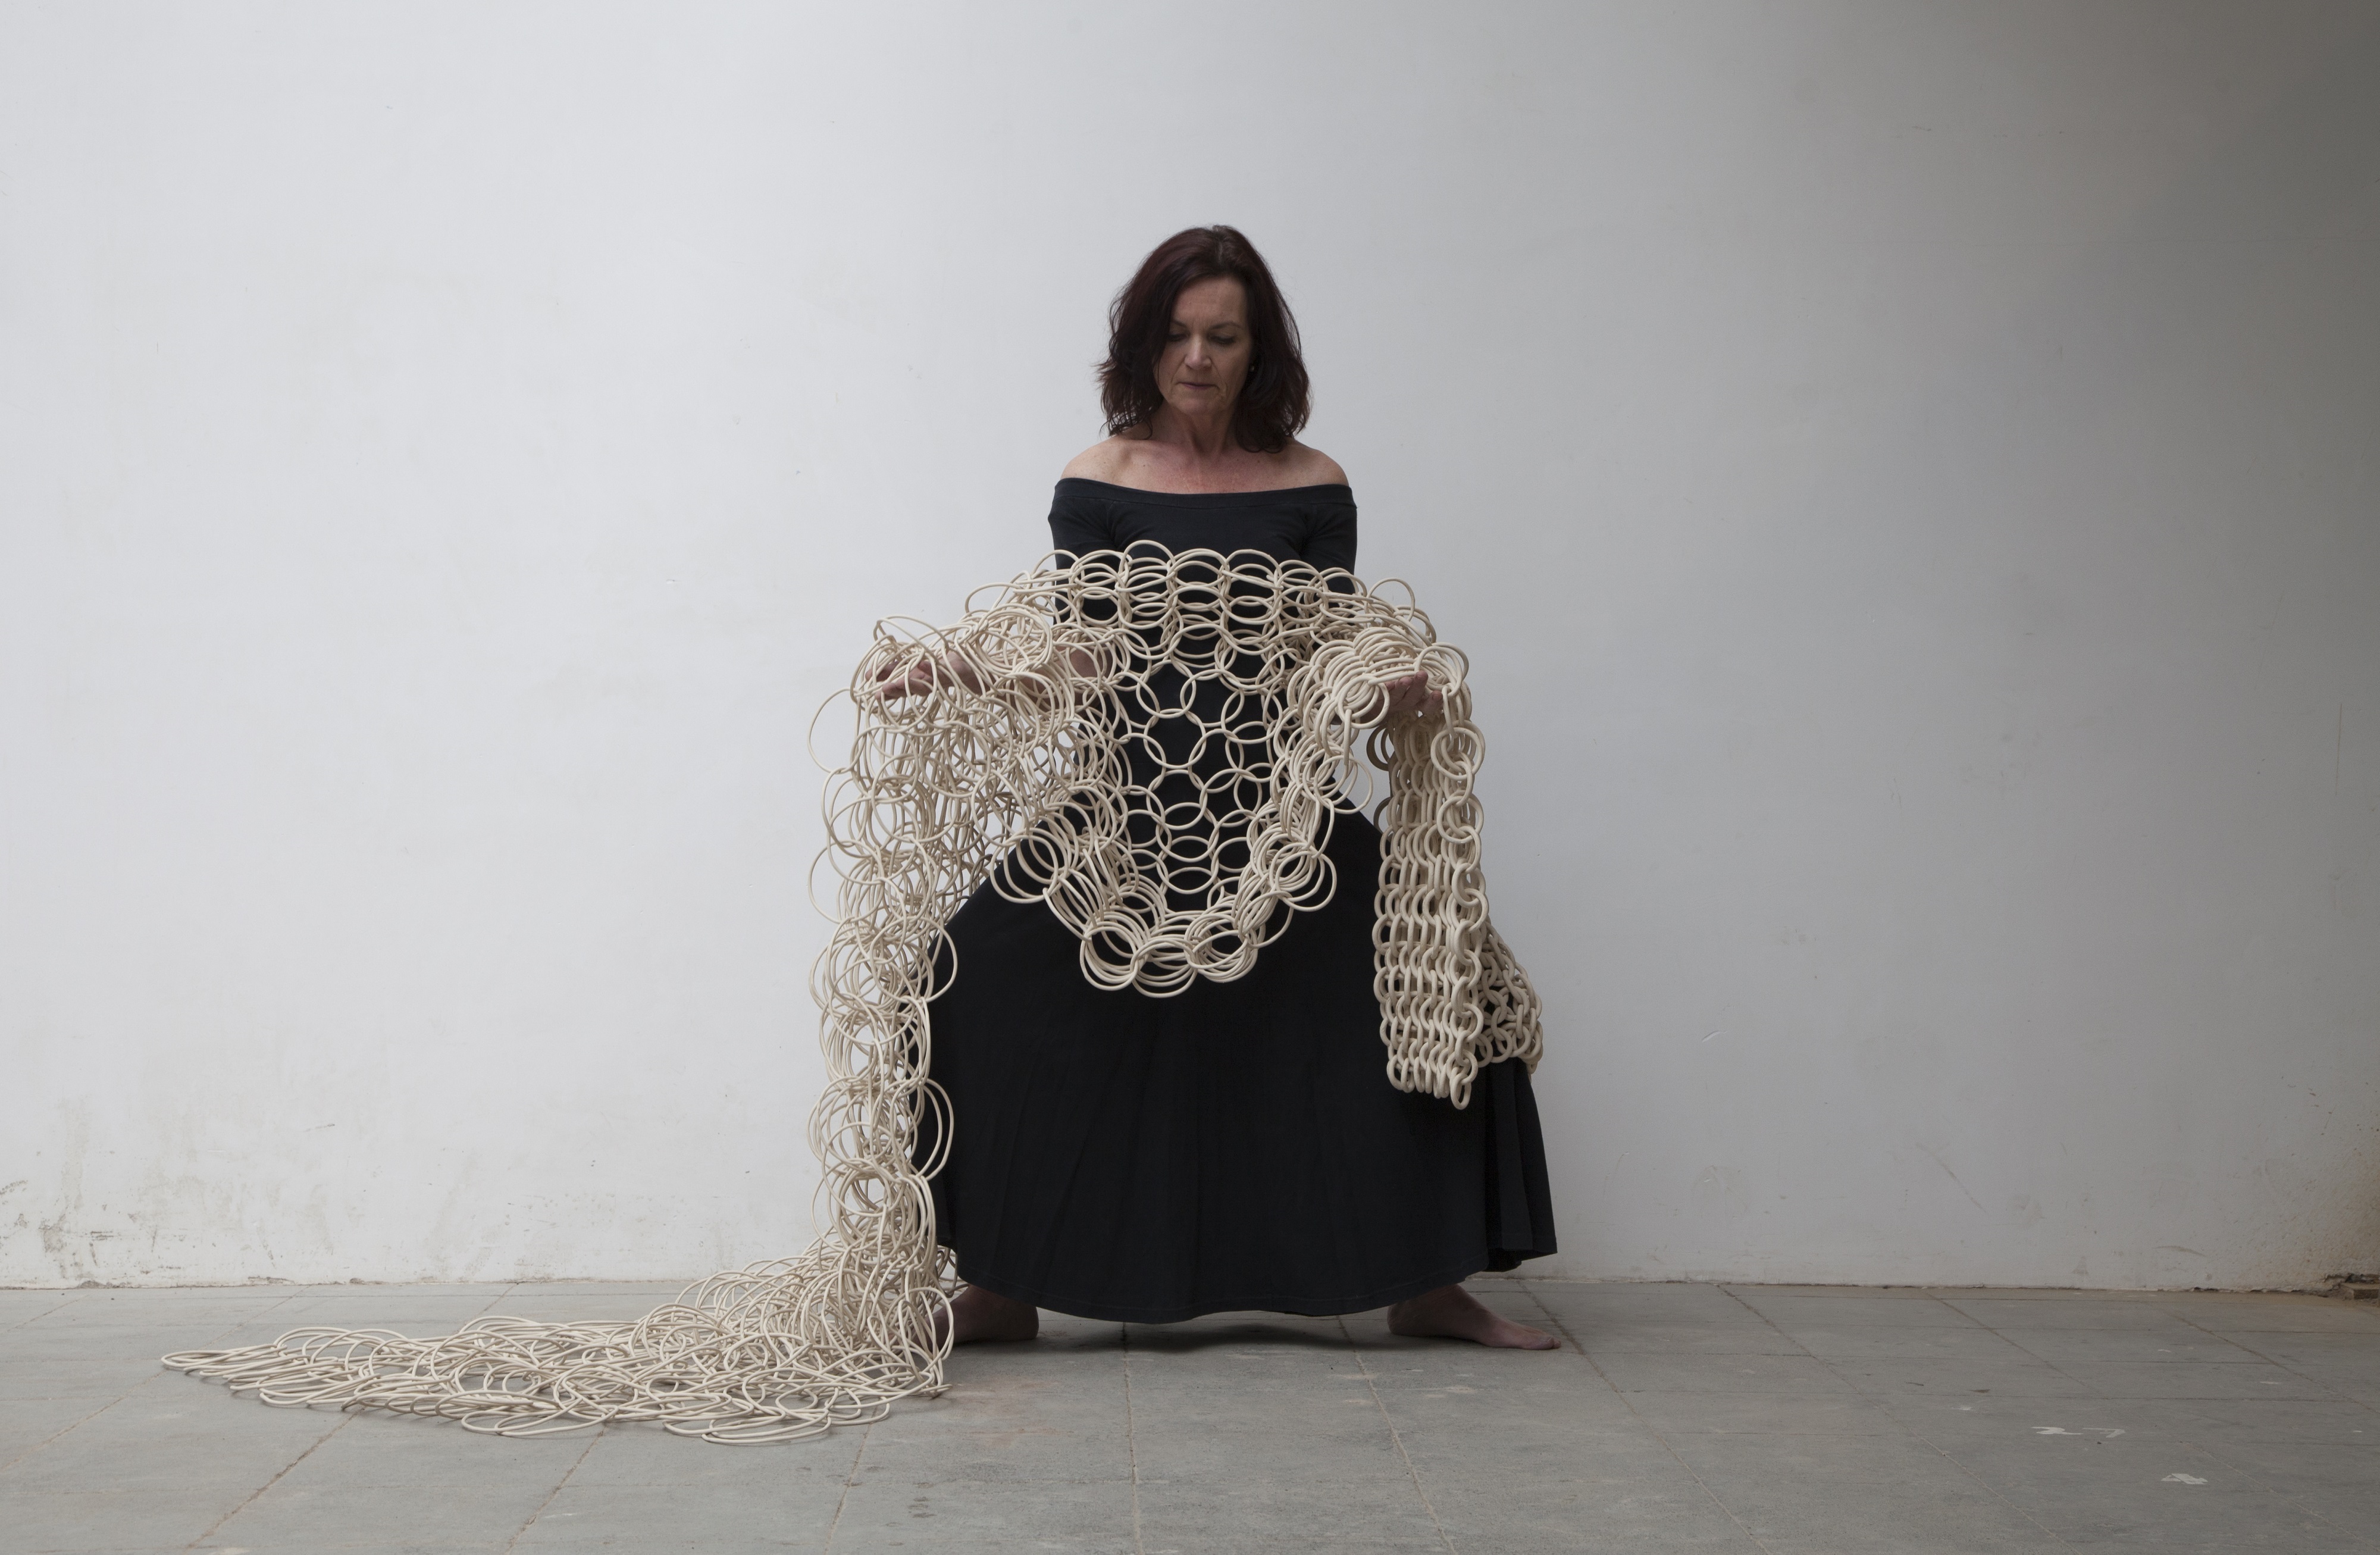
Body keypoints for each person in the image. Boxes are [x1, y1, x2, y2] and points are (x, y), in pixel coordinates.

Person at [888, 226, 1558, 1349]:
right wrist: (966, 667)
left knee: (1442, 972)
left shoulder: (1312, 483)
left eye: (1224, 336)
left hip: (1278, 811)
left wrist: (1389, 685)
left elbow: (1329, 650)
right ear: (1143, 344)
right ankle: (1001, 1282)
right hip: (1129, 810)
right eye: (1177, 334)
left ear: (1259, 350)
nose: (1197, 357)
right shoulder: (1099, 481)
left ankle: (1430, 1284)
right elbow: (1084, 652)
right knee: (973, 973)